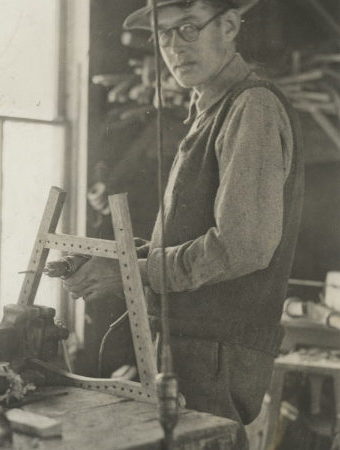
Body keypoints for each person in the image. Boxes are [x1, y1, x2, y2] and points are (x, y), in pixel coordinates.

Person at [64, 0, 304, 437]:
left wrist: (127, 272)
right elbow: (195, 236)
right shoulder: (211, 110)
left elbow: (241, 247)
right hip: (193, 349)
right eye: (163, 34)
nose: (175, 47)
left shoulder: (251, 108)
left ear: (229, 25)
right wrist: (113, 257)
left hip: (218, 355)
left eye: (189, 28)